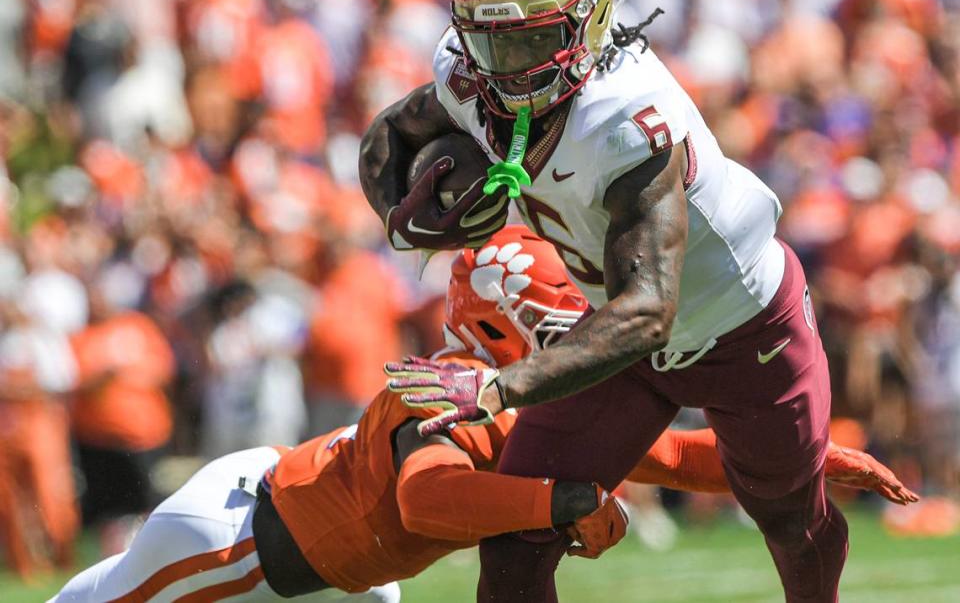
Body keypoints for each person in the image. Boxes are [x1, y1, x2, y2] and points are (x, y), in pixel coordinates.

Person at [362, 0, 859, 603]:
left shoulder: (626, 117)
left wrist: (498, 386)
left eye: (528, 42)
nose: (504, 69)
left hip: (740, 329)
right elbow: (387, 136)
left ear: (586, 23)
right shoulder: (470, 75)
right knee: (516, 538)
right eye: (490, 42)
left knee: (787, 520)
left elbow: (649, 311)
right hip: (612, 334)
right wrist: (400, 214)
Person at [52, 228, 913, 601]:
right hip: (237, 540)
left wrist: (811, 461)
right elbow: (430, 497)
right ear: (511, 321)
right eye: (570, 312)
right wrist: (563, 501)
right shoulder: (452, 383)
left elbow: (680, 457)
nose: (590, 326)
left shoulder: (541, 395)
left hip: (337, 570)